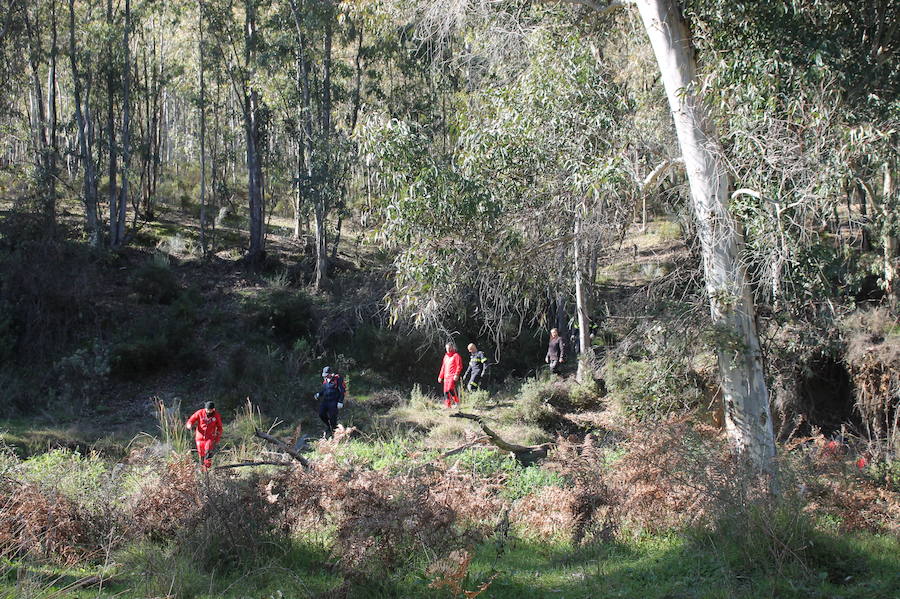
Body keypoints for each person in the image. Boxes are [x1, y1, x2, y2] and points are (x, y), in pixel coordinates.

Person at [185, 401, 223, 469]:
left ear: (213, 409)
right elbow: (191, 420)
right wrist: (189, 425)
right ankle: (202, 469)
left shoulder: (216, 415)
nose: (208, 411)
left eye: (210, 410)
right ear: (205, 408)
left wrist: (217, 437)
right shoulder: (200, 413)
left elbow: (220, 427)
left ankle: (208, 468)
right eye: (207, 410)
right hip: (199, 437)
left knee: (208, 451)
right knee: (201, 453)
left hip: (210, 437)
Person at [316, 366, 345, 436]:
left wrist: (340, 401)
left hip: (334, 401)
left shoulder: (337, 379)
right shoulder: (325, 380)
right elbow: (324, 390)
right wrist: (319, 394)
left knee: (333, 417)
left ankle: (334, 431)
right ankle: (329, 426)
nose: (325, 376)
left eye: (327, 374)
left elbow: (342, 391)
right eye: (324, 375)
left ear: (330, 373)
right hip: (326, 401)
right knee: (321, 414)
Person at [438, 342, 463, 407]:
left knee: (450, 389)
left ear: (452, 348)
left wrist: (457, 374)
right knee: (446, 391)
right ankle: (448, 405)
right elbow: (443, 367)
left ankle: (457, 402)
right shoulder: (445, 356)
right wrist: (440, 376)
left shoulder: (456, 355)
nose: (448, 349)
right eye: (447, 348)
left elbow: (459, 366)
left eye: (449, 348)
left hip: (452, 376)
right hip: (446, 376)